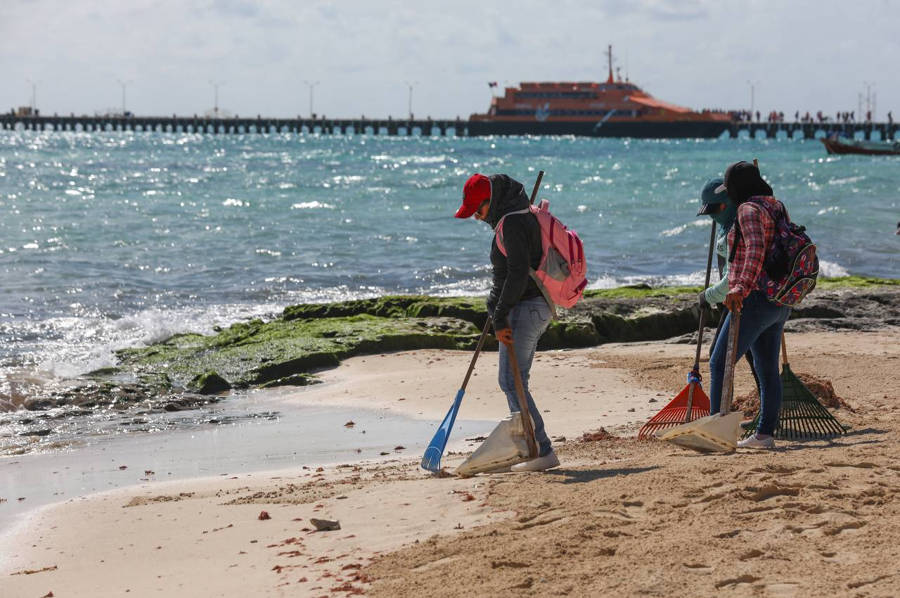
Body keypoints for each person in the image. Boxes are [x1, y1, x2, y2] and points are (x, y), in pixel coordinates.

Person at [455, 173, 559, 471]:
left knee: (512, 381)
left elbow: (515, 273)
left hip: (526, 309)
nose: (476, 216)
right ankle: (533, 447)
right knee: (513, 381)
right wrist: (495, 309)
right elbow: (506, 275)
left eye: (478, 209)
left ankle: (541, 450)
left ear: (492, 201)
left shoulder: (512, 222)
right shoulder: (514, 217)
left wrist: (499, 316)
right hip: (532, 307)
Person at [707, 162, 791, 449]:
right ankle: (765, 436)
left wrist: (740, 287)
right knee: (767, 368)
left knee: (720, 363)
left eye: (730, 186)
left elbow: (755, 250)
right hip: (779, 299)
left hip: (754, 299)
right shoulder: (776, 206)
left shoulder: (747, 210)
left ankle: (715, 432)